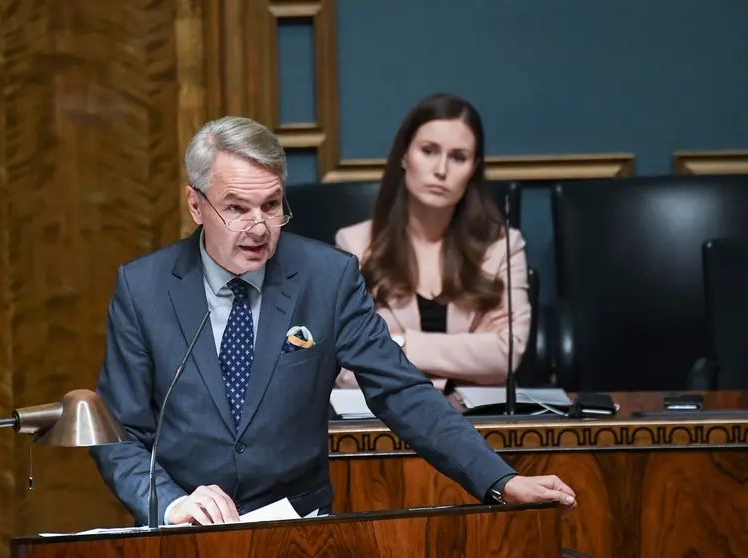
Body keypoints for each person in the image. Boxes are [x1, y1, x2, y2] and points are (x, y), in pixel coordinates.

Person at [90, 115, 576, 527]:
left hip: (300, 530)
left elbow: (402, 391)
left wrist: (499, 480)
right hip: (184, 530)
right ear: (196, 204)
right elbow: (119, 433)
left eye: (272, 205)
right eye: (236, 208)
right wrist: (172, 503)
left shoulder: (327, 276)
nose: (258, 228)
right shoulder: (143, 288)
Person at [335, 93, 530, 390]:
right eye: (428, 151)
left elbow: (506, 356)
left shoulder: (503, 246)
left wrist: (399, 344)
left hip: (475, 422)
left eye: (458, 157)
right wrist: (471, 354)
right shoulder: (354, 244)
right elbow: (348, 369)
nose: (441, 170)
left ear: (473, 169)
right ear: (404, 155)